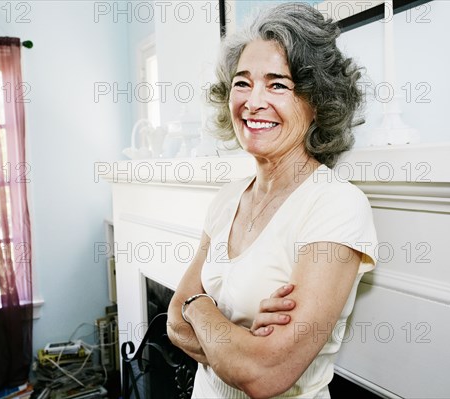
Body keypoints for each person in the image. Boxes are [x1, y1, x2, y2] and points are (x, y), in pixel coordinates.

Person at [166, 2, 378, 398]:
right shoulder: (227, 197)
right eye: (242, 82)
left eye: (278, 84)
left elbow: (264, 372)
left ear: (316, 102)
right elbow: (173, 323)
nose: (253, 101)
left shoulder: (336, 205)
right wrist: (235, 337)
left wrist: (198, 308)